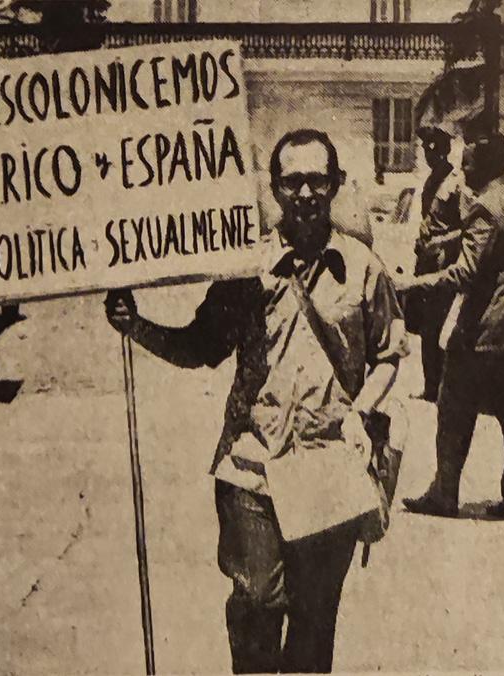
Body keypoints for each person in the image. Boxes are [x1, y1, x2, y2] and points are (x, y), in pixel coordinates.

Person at [106, 129, 406, 673]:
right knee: (258, 602)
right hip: (253, 468)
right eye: (294, 181)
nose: (307, 193)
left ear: (337, 184)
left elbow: (389, 354)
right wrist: (138, 327)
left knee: (315, 624)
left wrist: (363, 413)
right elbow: (201, 347)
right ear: (274, 189)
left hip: (328, 468)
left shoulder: (364, 268)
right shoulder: (246, 268)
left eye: (319, 180)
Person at [396, 130, 504, 521]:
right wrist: (452, 237)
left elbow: (465, 273)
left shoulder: (486, 206)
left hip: (487, 324)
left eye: (468, 165)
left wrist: (414, 282)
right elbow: (503, 244)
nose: (462, 171)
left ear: (487, 167)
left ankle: (444, 493)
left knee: (453, 401)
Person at [405, 127, 464, 402]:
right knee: (427, 329)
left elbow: (466, 229)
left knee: (441, 328)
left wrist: (440, 244)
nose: (427, 155)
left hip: (444, 265)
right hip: (426, 262)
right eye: (425, 150)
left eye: (431, 150)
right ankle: (432, 388)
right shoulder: (432, 179)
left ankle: (445, 390)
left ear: (441, 150)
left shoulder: (456, 181)